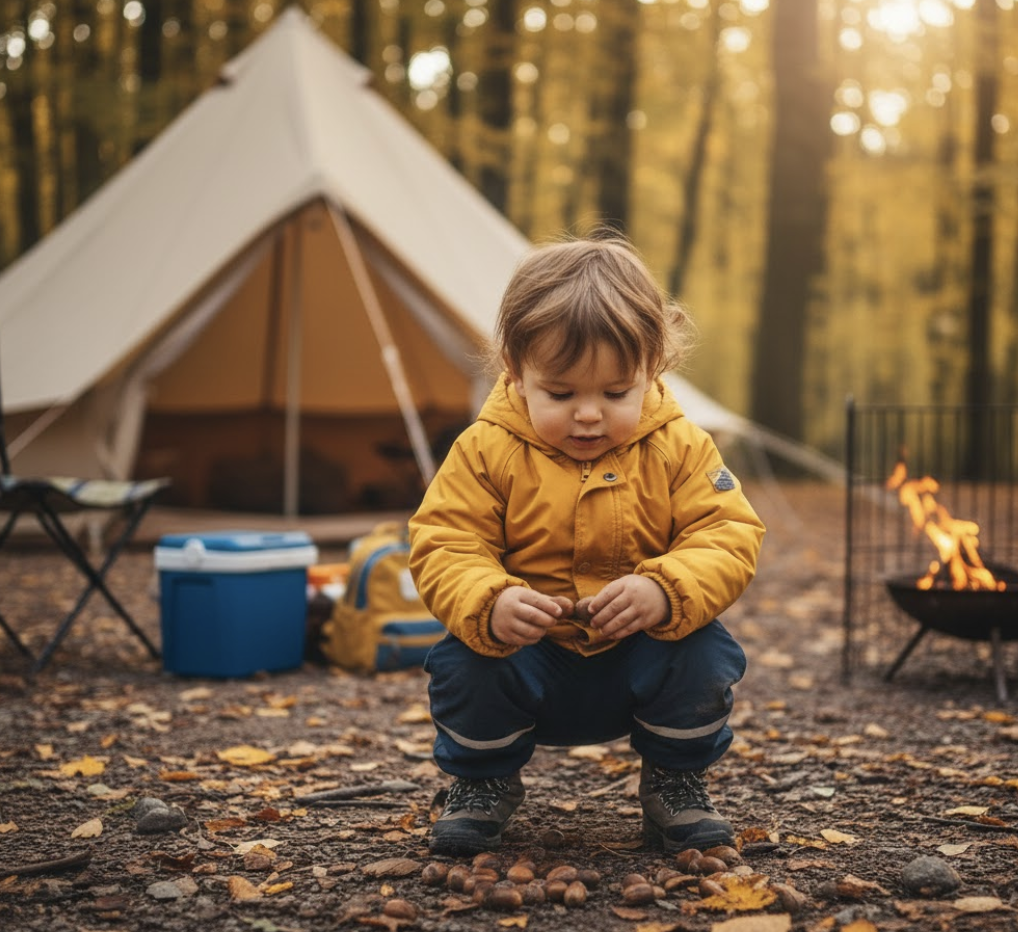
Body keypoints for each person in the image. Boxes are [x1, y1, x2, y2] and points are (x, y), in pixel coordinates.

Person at [408, 232, 765, 857]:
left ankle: (676, 782)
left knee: (705, 651)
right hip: (529, 657)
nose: (589, 415)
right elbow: (445, 540)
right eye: (562, 394)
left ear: (652, 370)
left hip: (639, 658)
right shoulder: (486, 449)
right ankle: (482, 785)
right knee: (464, 660)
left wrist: (665, 588)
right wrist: (489, 600)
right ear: (516, 374)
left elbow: (727, 532)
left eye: (615, 393)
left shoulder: (681, 446)